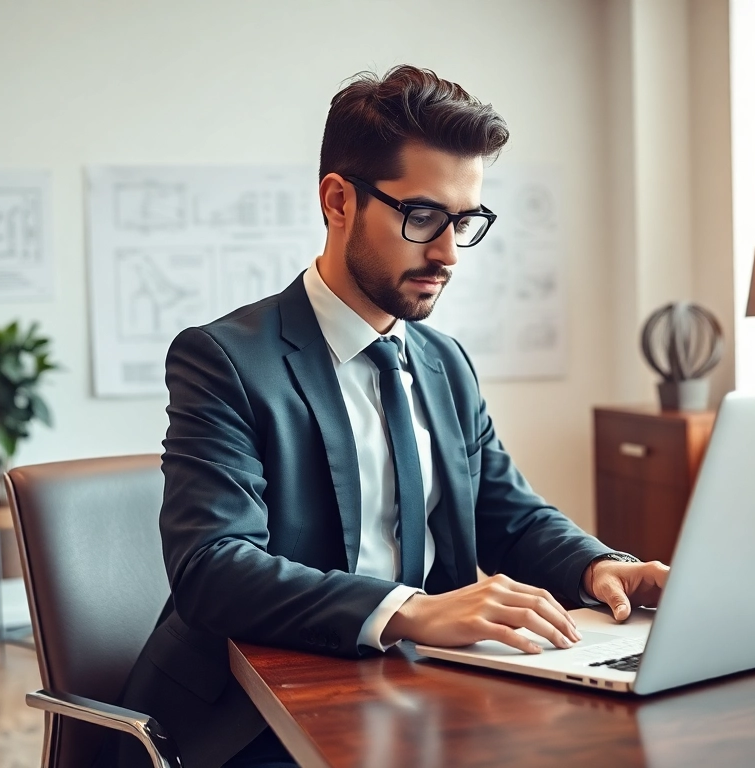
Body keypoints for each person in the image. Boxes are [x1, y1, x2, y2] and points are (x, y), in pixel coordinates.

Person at [101, 65, 669, 768]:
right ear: (338, 201)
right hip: (249, 719)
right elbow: (212, 567)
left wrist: (601, 567)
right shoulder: (224, 360)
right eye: (423, 217)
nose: (448, 253)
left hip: (422, 691)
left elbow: (510, 515)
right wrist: (408, 609)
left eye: (466, 222)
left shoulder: (444, 361)